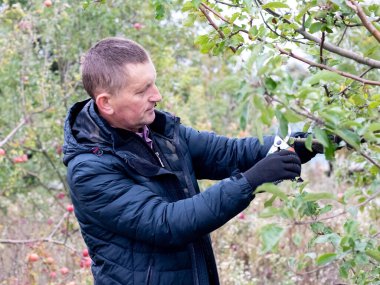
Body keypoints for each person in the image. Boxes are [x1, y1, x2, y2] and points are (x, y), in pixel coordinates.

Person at [63, 37, 317, 285]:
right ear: (106, 103)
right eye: (142, 90)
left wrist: (299, 144)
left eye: (153, 84)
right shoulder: (90, 169)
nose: (157, 95)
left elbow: (228, 153)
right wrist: (250, 181)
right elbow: (167, 223)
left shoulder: (159, 132)